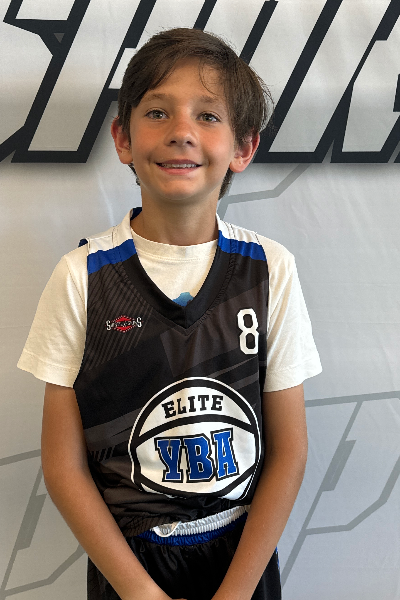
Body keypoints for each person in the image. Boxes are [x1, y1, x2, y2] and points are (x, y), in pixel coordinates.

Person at [18, 28, 321, 600]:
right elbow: (63, 466)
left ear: (243, 147)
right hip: (130, 563)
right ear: (123, 138)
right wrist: (140, 593)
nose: (181, 131)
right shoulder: (82, 276)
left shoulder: (269, 269)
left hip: (240, 558)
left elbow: (290, 452)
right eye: (157, 112)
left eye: (208, 116)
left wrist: (235, 593)